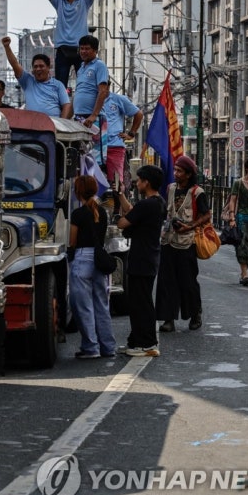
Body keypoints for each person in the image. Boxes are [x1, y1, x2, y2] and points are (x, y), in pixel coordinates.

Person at [28, 0, 106, 88]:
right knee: (60, 86)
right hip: (62, 49)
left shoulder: (84, 1)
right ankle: (61, 109)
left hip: (80, 50)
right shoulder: (59, 1)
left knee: (84, 85)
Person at [116, 165, 167, 357]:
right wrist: (121, 196)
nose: (137, 183)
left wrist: (121, 216)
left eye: (139, 180)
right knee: (141, 301)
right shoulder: (157, 202)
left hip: (141, 259)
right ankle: (137, 341)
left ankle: (146, 344)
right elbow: (133, 212)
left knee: (140, 303)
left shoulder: (148, 205)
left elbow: (124, 222)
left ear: (147, 182)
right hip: (149, 257)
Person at [155, 155, 209, 332]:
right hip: (168, 240)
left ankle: (195, 313)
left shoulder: (197, 192)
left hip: (187, 242)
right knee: (166, 280)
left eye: (179, 171)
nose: (176, 173)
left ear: (188, 174)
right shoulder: (170, 188)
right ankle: (168, 318)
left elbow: (206, 215)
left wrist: (190, 226)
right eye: (175, 170)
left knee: (187, 281)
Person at [68, 175, 115, 358]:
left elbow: (73, 241)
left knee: (83, 306)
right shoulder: (102, 213)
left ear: (78, 191)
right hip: (98, 259)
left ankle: (90, 347)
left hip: (82, 258)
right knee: (102, 306)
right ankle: (108, 347)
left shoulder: (78, 214)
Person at [0, 36, 72, 118]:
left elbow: (66, 105)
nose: (38, 69)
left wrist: (62, 124)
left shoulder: (58, 85)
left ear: (48, 68)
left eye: (41, 66)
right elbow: (15, 64)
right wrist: (7, 47)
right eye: (35, 66)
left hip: (53, 125)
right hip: (32, 126)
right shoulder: (27, 81)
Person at [223, 157, 248, 286]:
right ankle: (245, 274)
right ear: (246, 168)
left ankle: (244, 270)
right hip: (241, 217)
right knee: (242, 244)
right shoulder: (238, 183)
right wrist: (232, 217)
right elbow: (233, 200)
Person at [98, 92, 142, 187]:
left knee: (116, 184)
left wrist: (131, 134)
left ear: (107, 86)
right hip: (95, 146)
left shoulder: (118, 99)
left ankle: (118, 200)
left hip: (114, 147)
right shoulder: (92, 98)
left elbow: (138, 114)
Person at [72, 35, 110, 131]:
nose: (83, 51)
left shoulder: (99, 65)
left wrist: (94, 115)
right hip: (79, 118)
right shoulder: (80, 68)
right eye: (82, 48)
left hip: (94, 118)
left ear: (95, 50)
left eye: (87, 49)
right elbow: (78, 94)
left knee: (95, 146)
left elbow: (103, 91)